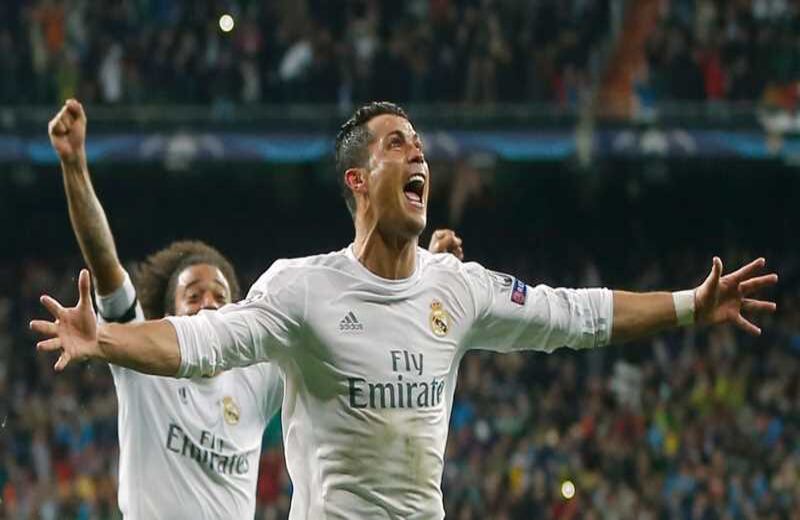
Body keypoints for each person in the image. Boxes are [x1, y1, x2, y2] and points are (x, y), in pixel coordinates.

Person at [33, 101, 777, 519]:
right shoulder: (301, 291)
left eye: (420, 144)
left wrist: (690, 303)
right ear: (358, 179)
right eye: (398, 144)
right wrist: (109, 339)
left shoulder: (457, 288)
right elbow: (198, 344)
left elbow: (574, 316)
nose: (419, 154)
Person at [46, 99, 463, 518]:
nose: (209, 305)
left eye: (219, 296)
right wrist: (74, 165)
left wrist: (423, 278)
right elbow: (106, 265)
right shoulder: (144, 370)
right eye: (194, 296)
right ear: (169, 314)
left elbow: (350, 340)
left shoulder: (256, 380)